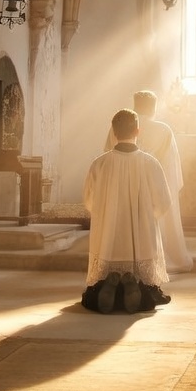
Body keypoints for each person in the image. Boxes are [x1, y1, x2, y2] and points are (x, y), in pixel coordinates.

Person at [82, 109, 173, 313]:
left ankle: (110, 286)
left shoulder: (100, 163)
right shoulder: (150, 163)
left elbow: (89, 201)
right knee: (149, 284)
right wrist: (148, 218)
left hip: (108, 239)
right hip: (142, 236)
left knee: (93, 289)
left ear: (113, 133)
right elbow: (164, 201)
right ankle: (138, 286)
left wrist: (104, 216)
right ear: (138, 131)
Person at [105, 90, 193, 272]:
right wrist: (165, 192)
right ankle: (152, 259)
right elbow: (170, 166)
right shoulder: (163, 129)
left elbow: (108, 157)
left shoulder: (119, 127)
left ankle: (123, 260)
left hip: (121, 186)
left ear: (135, 105)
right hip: (152, 187)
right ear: (153, 107)